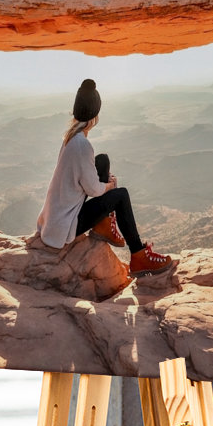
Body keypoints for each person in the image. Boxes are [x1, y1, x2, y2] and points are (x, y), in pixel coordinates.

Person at [36, 79, 173, 277]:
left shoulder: (70, 138)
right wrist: (110, 186)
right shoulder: (82, 145)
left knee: (102, 160)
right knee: (121, 195)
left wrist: (104, 183)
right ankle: (139, 255)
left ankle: (104, 225)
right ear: (94, 114)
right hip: (66, 224)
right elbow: (93, 190)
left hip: (56, 217)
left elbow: (85, 178)